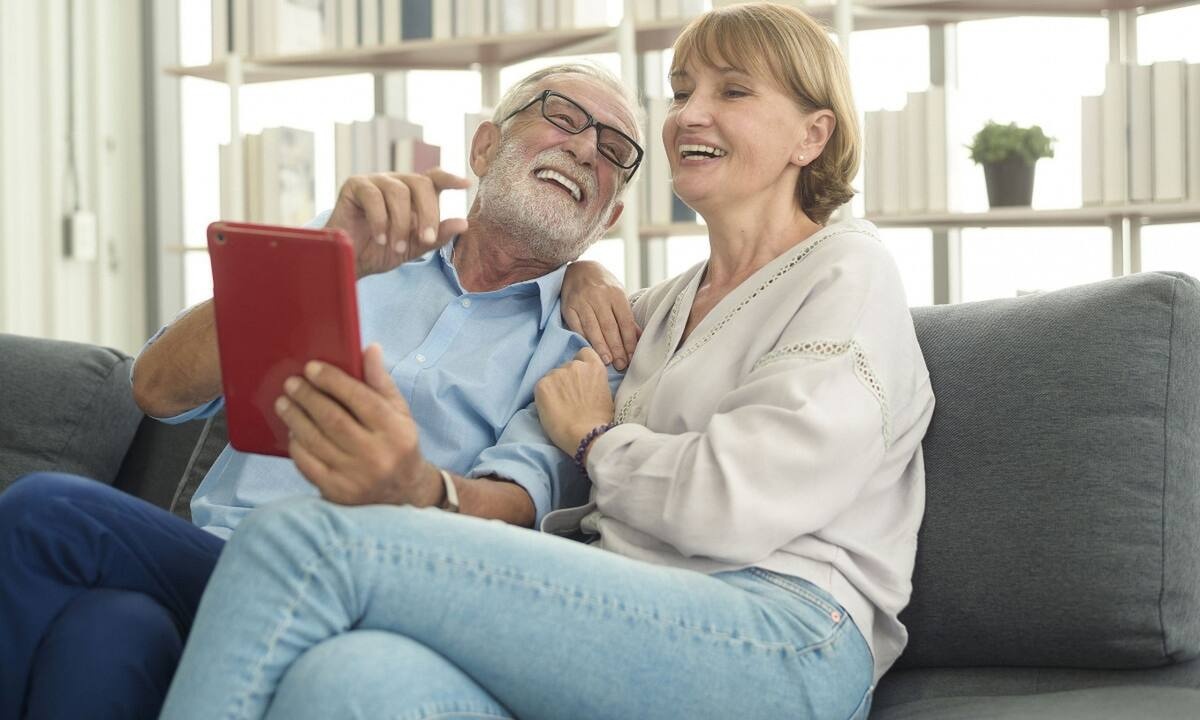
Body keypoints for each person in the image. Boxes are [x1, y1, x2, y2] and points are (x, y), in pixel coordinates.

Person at [157, 4, 935, 720]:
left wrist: (598, 440)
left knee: (301, 541)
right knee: (352, 679)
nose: (690, 114)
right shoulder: (651, 311)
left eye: (733, 92)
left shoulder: (847, 271)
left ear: (812, 136)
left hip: (782, 632)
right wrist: (581, 273)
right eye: (682, 90)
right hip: (630, 617)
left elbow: (734, 503)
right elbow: (155, 388)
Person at [0, 62, 643, 720]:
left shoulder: (583, 344)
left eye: (615, 150)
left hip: (355, 592)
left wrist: (414, 484)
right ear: (485, 147)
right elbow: (155, 387)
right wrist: (319, 247)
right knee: (107, 633)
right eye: (561, 115)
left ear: (611, 214)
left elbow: (519, 502)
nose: (587, 147)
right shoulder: (352, 247)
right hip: (217, 554)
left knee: (48, 511)